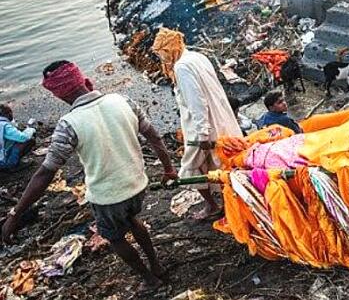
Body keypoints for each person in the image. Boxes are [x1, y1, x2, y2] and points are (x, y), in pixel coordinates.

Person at [1, 61, 178, 293]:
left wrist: (15, 214)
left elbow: (45, 172)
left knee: (114, 237)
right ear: (84, 81)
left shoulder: (69, 124)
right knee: (133, 219)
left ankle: (150, 279)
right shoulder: (122, 100)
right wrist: (168, 169)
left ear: (60, 96)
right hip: (137, 183)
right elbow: (154, 137)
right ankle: (156, 265)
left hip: (108, 196)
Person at [152, 28, 242, 220]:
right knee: (221, 165)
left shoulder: (182, 67)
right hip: (221, 118)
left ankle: (213, 206)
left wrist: (202, 134)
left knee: (190, 169)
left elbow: (196, 101)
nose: (163, 59)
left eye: (163, 53)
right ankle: (231, 205)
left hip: (202, 127)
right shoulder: (197, 56)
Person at [0, 104, 36, 171]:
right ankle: (12, 165)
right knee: (30, 140)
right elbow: (23, 138)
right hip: (2, 162)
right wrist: (31, 130)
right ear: (9, 114)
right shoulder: (4, 126)